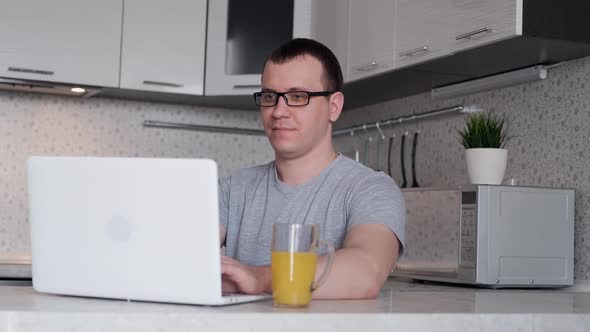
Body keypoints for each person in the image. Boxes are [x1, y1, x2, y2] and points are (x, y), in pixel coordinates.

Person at [218, 38, 405, 299]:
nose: (278, 111)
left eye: (297, 96)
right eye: (270, 96)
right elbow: (178, 252)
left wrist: (259, 278)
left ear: (334, 107)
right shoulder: (232, 189)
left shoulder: (371, 189)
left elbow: (366, 272)